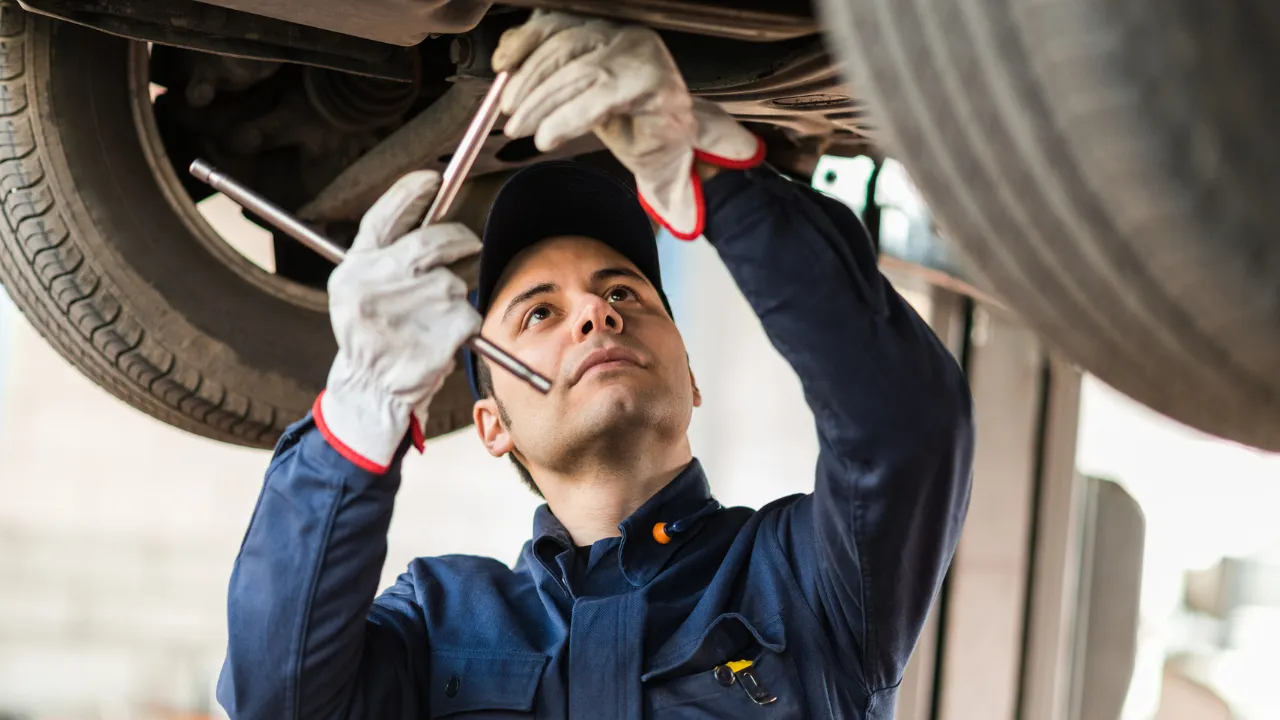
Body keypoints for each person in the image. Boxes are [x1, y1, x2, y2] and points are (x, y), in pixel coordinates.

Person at [216, 11, 974, 720]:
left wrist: (714, 177)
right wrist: (359, 409)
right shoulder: (438, 619)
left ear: (692, 376)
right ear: (491, 424)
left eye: (624, 293)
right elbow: (274, 700)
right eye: (540, 313)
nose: (596, 313)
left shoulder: (806, 582)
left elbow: (907, 428)